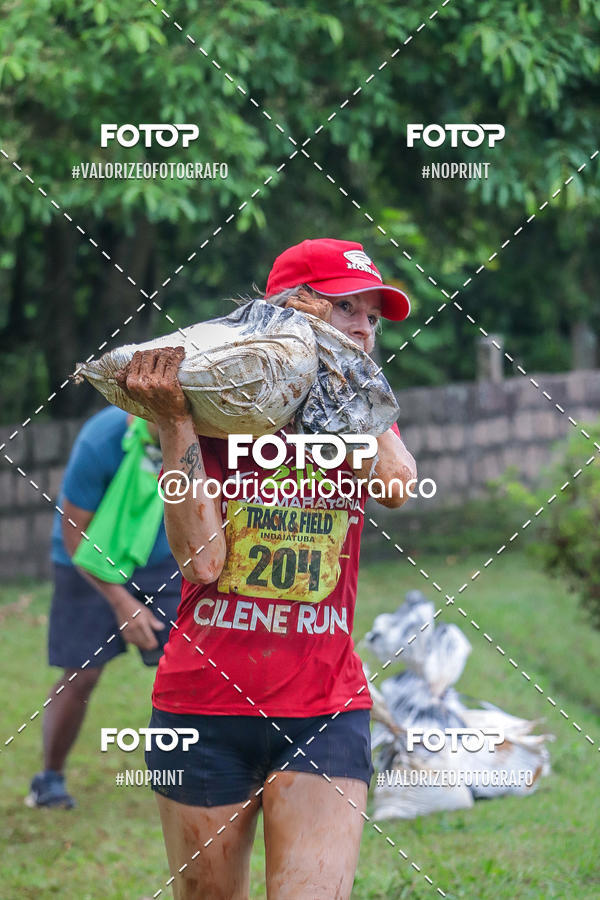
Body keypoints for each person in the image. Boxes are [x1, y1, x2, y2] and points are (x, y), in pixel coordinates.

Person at [119, 238, 417, 898]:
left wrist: (344, 381)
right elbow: (201, 561)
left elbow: (398, 481)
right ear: (290, 311)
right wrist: (176, 425)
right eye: (348, 310)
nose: (366, 327)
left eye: (373, 315)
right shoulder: (216, 413)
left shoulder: (357, 417)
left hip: (325, 706)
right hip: (202, 704)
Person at [26, 406, 181, 809]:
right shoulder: (101, 440)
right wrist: (121, 601)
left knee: (189, 667)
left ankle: (201, 774)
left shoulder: (192, 435)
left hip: (161, 558)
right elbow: (75, 535)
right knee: (82, 675)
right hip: (87, 558)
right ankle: (49, 780)